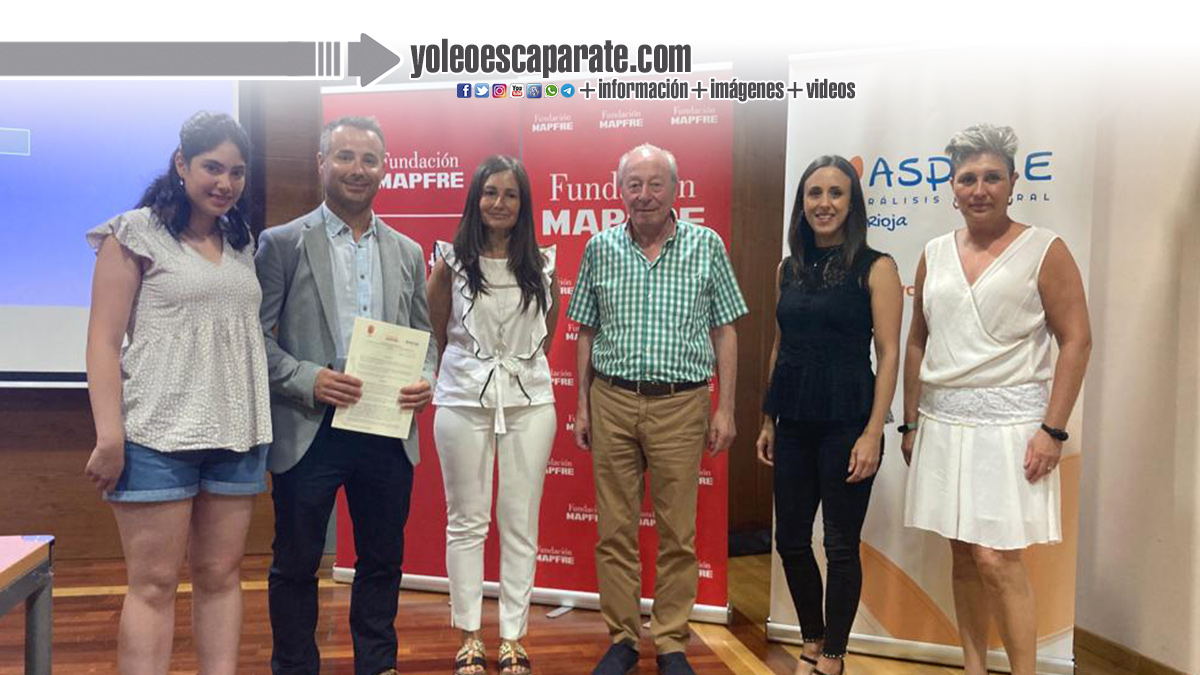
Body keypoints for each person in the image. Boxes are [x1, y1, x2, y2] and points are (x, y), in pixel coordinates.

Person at [84, 110, 272, 675]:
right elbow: (102, 343)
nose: (225, 183)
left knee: (220, 577)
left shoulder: (240, 239)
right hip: (156, 437)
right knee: (153, 584)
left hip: (237, 435)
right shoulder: (133, 234)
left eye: (237, 172)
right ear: (181, 164)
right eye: (212, 167)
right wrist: (109, 436)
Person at [901, 124, 1091, 675]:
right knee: (963, 553)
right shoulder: (934, 253)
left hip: (1012, 428)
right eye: (967, 179)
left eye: (991, 177)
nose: (979, 189)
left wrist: (1053, 430)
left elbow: (1077, 340)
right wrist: (910, 422)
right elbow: (917, 341)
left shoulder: (1045, 249)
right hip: (943, 421)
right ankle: (974, 667)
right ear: (952, 187)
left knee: (997, 559)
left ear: (1012, 181)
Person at [255, 116, 437, 675]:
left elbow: (424, 336)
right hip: (310, 426)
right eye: (345, 157)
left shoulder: (408, 251)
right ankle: (294, 667)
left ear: (384, 169)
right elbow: (254, 339)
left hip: (386, 428)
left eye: (369, 159)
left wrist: (425, 377)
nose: (358, 169)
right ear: (321, 164)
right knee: (296, 563)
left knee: (382, 560)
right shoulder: (282, 244)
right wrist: (307, 378)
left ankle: (377, 664)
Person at [568, 143, 748, 675]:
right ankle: (623, 639)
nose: (644, 195)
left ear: (675, 189)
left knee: (678, 534)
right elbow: (586, 331)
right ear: (619, 189)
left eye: (655, 184)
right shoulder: (599, 247)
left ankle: (670, 642)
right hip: (612, 399)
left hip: (681, 404)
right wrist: (582, 405)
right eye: (634, 185)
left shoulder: (706, 244)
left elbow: (725, 329)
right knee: (614, 531)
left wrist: (726, 408)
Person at [754, 156, 902, 675]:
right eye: (814, 193)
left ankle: (834, 655)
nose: (824, 203)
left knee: (839, 545)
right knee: (791, 541)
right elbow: (781, 346)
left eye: (836, 193)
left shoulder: (877, 267)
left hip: (847, 422)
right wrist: (768, 419)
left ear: (852, 202)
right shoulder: (788, 268)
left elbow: (889, 353)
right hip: (793, 421)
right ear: (802, 203)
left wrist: (873, 433)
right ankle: (813, 639)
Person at [427, 155, 560, 675]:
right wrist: (469, 374)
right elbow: (438, 331)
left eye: (510, 194)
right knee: (466, 521)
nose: (499, 203)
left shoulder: (542, 265)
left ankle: (512, 638)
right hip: (462, 399)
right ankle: (469, 636)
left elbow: (544, 335)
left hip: (530, 403)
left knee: (520, 521)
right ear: (475, 199)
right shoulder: (450, 262)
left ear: (523, 204)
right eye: (490, 192)